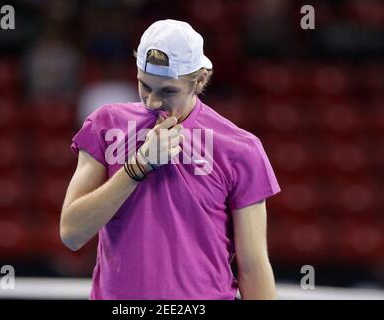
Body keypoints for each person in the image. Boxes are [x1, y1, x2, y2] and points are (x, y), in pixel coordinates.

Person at [60, 19, 281, 300]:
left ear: (199, 81)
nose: (152, 102)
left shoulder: (240, 149)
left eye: (167, 91)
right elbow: (72, 233)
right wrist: (137, 168)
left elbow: (253, 268)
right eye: (144, 86)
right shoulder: (106, 124)